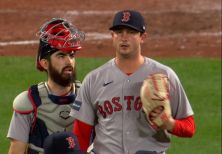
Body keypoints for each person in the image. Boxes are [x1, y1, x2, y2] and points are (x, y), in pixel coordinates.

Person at [69, 10, 196, 154]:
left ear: (143, 37)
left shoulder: (164, 75)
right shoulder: (94, 79)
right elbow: (81, 134)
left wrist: (169, 124)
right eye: (119, 32)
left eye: (131, 32)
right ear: (112, 36)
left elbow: (190, 127)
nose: (124, 38)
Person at [7, 18, 85, 154]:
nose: (69, 61)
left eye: (71, 55)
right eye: (61, 55)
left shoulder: (89, 96)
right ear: (44, 63)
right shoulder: (29, 102)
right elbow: (17, 151)